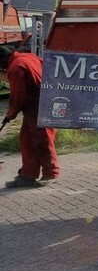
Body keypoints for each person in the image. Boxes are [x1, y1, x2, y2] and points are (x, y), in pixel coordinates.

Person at [0, 45, 60, 187]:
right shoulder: (28, 57)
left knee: (42, 140)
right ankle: (28, 175)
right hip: (44, 101)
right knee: (27, 140)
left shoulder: (15, 68)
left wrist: (10, 114)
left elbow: (17, 96)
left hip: (38, 105)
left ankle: (50, 173)